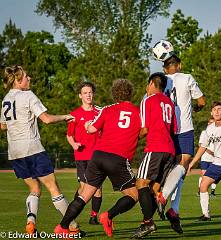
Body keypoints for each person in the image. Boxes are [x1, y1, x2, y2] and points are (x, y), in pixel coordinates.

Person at [54, 79, 141, 238]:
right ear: (131, 93)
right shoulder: (137, 112)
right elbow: (143, 131)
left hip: (98, 156)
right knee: (134, 195)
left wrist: (87, 126)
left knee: (84, 194)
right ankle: (107, 216)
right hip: (117, 159)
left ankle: (62, 226)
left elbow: (92, 128)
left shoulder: (106, 109)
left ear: (114, 94)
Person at [0, 65, 80, 235]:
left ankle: (31, 222)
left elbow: (2, 126)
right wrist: (65, 116)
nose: (29, 79)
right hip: (33, 149)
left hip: (15, 152)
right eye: (27, 77)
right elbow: (47, 119)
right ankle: (71, 226)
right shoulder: (27, 95)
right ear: (19, 80)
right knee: (53, 188)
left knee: (34, 189)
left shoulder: (6, 99)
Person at [156, 54, 206, 234]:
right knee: (184, 164)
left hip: (166, 129)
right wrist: (197, 108)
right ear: (179, 65)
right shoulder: (187, 77)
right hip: (184, 128)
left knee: (178, 171)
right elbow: (201, 101)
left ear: (164, 68)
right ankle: (163, 197)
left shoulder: (159, 81)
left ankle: (174, 210)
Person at [131, 72, 177, 238]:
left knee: (141, 184)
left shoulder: (147, 100)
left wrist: (129, 139)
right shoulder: (170, 103)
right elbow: (174, 130)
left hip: (155, 148)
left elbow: (144, 129)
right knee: (152, 189)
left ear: (151, 83)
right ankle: (154, 207)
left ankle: (148, 223)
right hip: (169, 150)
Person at [66, 81, 102, 225]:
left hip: (97, 156)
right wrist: (74, 144)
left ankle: (94, 217)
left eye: (90, 92)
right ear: (80, 96)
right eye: (85, 93)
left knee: (97, 189)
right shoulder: (74, 114)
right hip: (82, 157)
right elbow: (69, 135)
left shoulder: (100, 112)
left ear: (93, 94)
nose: (88, 95)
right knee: (83, 188)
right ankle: (71, 214)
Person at [196, 118, 217, 197]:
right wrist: (211, 152)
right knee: (204, 175)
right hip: (205, 158)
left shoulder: (218, 132)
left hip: (215, 159)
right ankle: (200, 190)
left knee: (214, 175)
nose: (211, 124)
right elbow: (201, 145)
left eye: (212, 123)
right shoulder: (204, 132)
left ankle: (212, 192)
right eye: (210, 123)